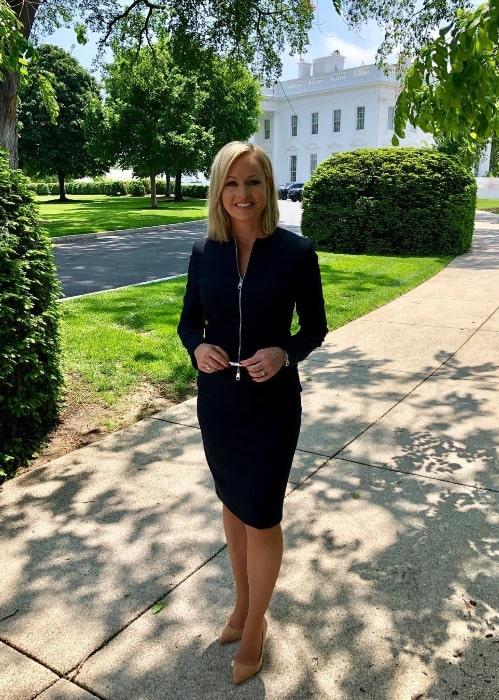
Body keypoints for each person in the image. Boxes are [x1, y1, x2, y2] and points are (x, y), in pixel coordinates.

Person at [177, 141, 327, 685]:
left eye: (254, 182)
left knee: (261, 515)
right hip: (218, 405)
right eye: (232, 183)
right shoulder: (203, 252)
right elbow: (189, 323)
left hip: (270, 406)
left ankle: (257, 623)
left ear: (269, 189)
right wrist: (197, 347)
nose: (242, 194)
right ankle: (241, 607)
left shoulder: (295, 253)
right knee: (233, 507)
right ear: (219, 189)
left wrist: (285, 351)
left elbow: (314, 329)